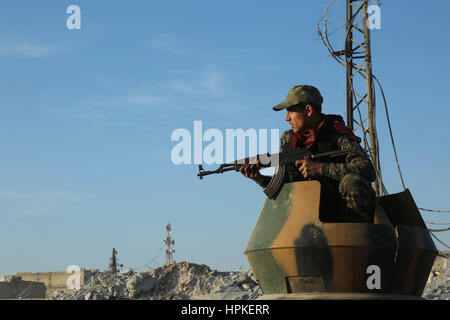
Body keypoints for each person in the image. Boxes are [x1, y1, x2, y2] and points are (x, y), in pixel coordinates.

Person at [240, 85, 377, 223]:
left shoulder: (337, 133)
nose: (287, 118)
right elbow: (285, 188)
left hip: (339, 211)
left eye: (290, 111)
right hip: (305, 217)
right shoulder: (288, 139)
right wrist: (260, 179)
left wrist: (320, 168)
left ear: (308, 110)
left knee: (353, 181)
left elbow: (368, 169)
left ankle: (355, 239)